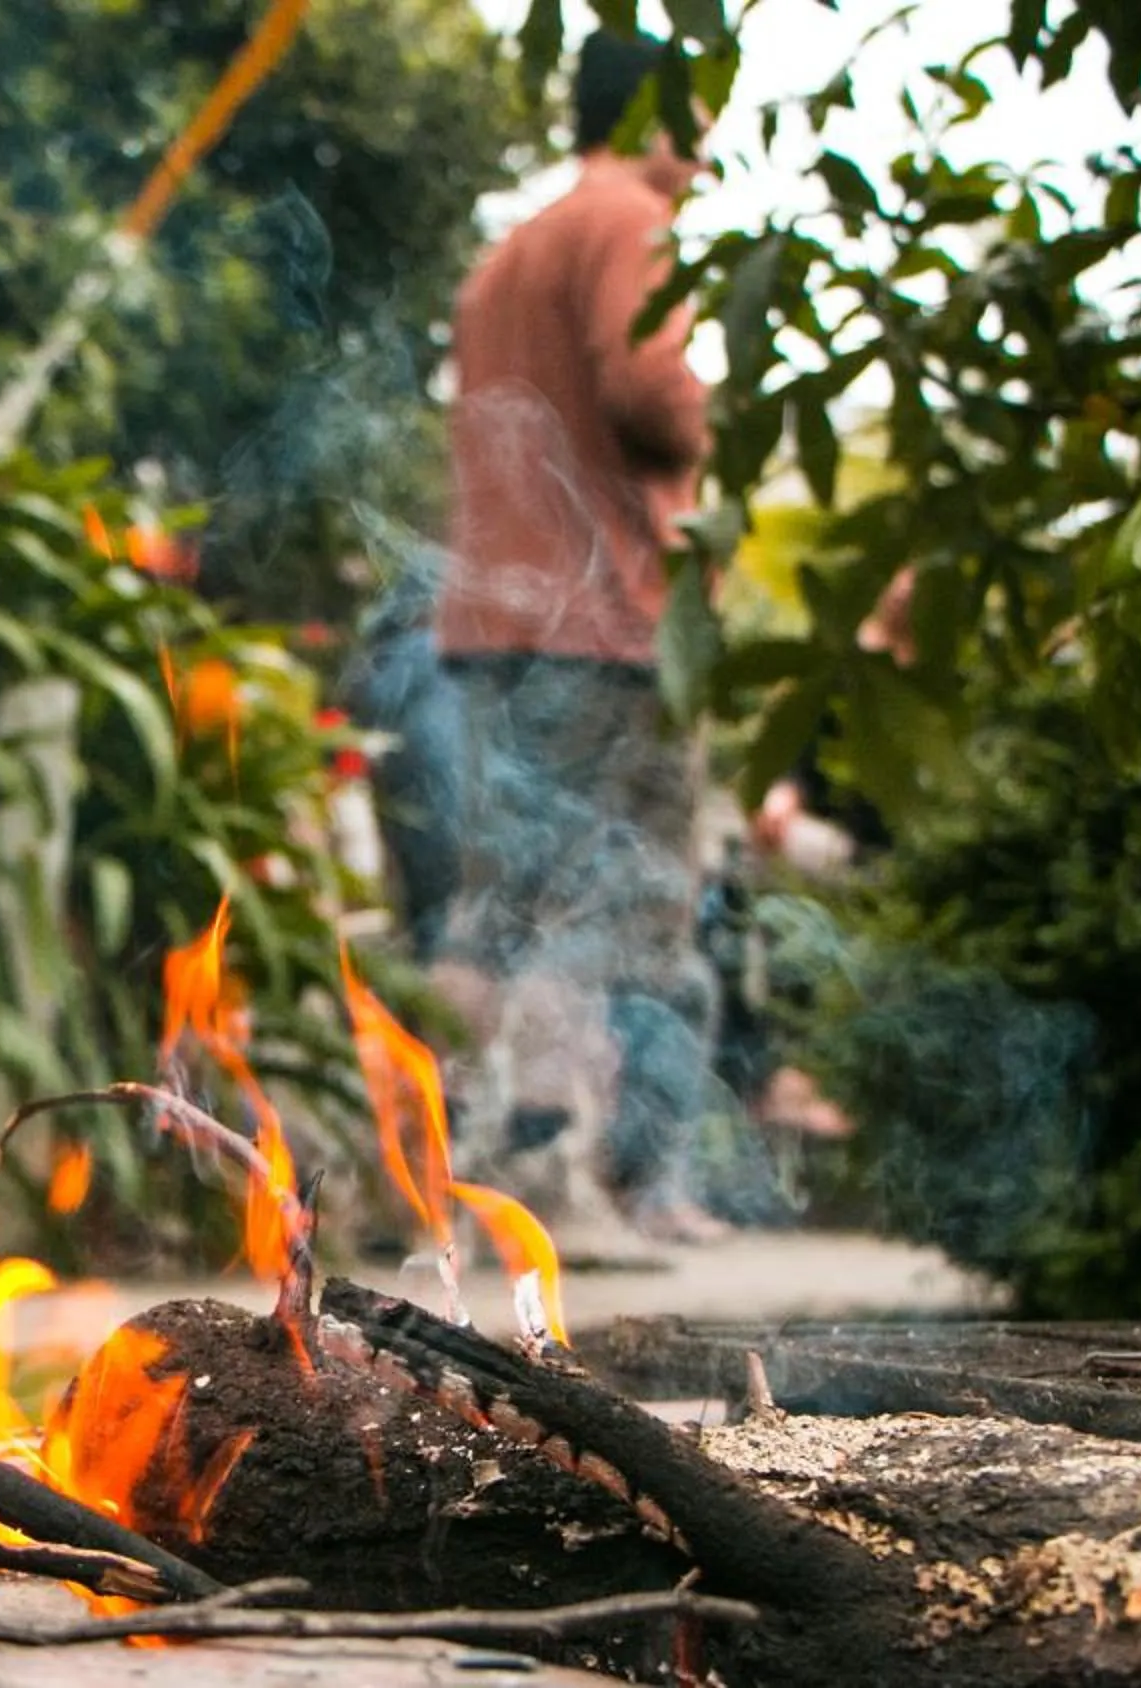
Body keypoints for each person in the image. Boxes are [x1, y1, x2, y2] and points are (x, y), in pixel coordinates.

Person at [424, 30, 733, 1249]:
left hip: (495, 618)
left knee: (498, 900)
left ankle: (435, 1163)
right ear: (654, 113)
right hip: (603, 619)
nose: (704, 147)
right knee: (625, 896)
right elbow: (649, 389)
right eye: (693, 118)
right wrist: (718, 423)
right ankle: (582, 1180)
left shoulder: (508, 252)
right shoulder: (626, 218)